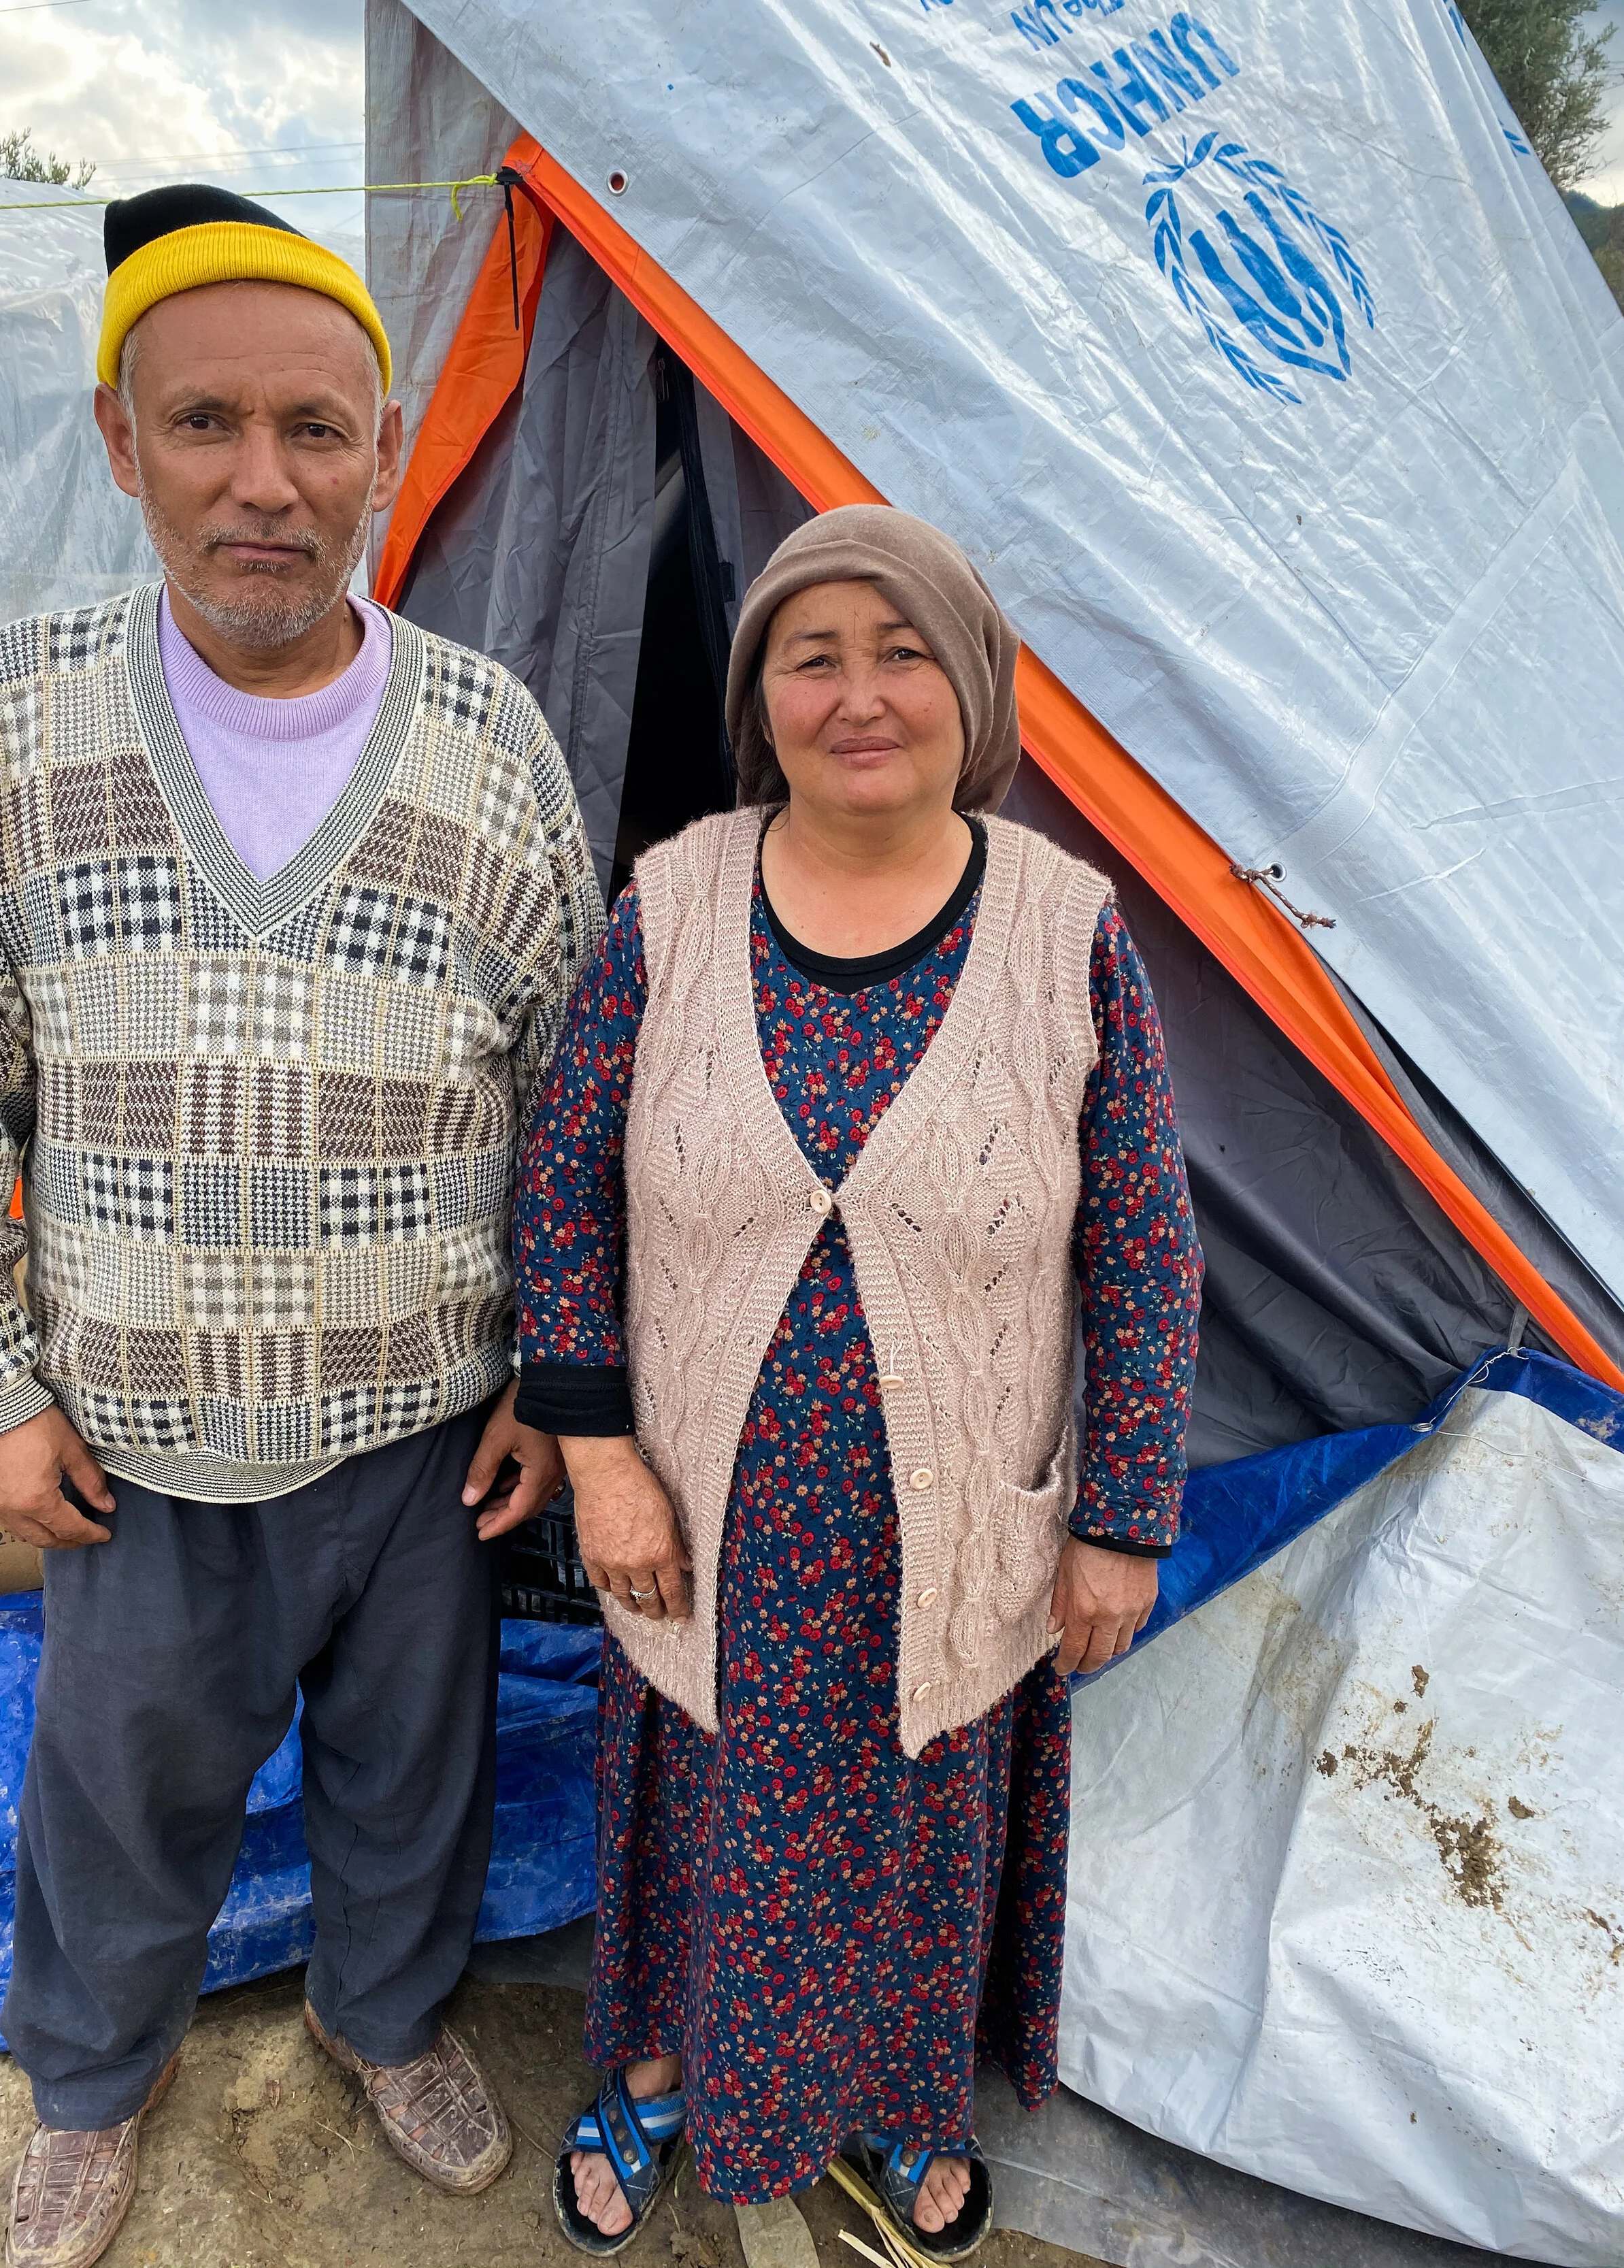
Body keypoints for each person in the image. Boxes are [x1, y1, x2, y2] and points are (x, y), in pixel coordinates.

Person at [0, 184, 602, 2268]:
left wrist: (544, 1381)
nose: (262, 482)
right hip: (126, 1433)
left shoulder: (487, 741)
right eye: (204, 423)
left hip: (422, 1426)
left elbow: (572, 1090)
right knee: (118, 1795)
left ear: (386, 454)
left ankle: (385, 2014)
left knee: (419, 1767)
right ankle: (93, 2086)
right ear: (121, 443)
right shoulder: (3, 727)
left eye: (317, 430)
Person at [513, 504, 1204, 2261]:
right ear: (762, 694)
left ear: (968, 685)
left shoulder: (1065, 933)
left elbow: (1139, 1241)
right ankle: (664, 2066)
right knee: (702, 1810)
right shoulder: (669, 903)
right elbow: (561, 1183)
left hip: (955, 1517)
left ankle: (902, 2100)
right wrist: (597, 1456)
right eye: (810, 655)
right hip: (702, 1518)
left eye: (900, 650)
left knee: (922, 1816)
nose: (858, 693)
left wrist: (1121, 1519)